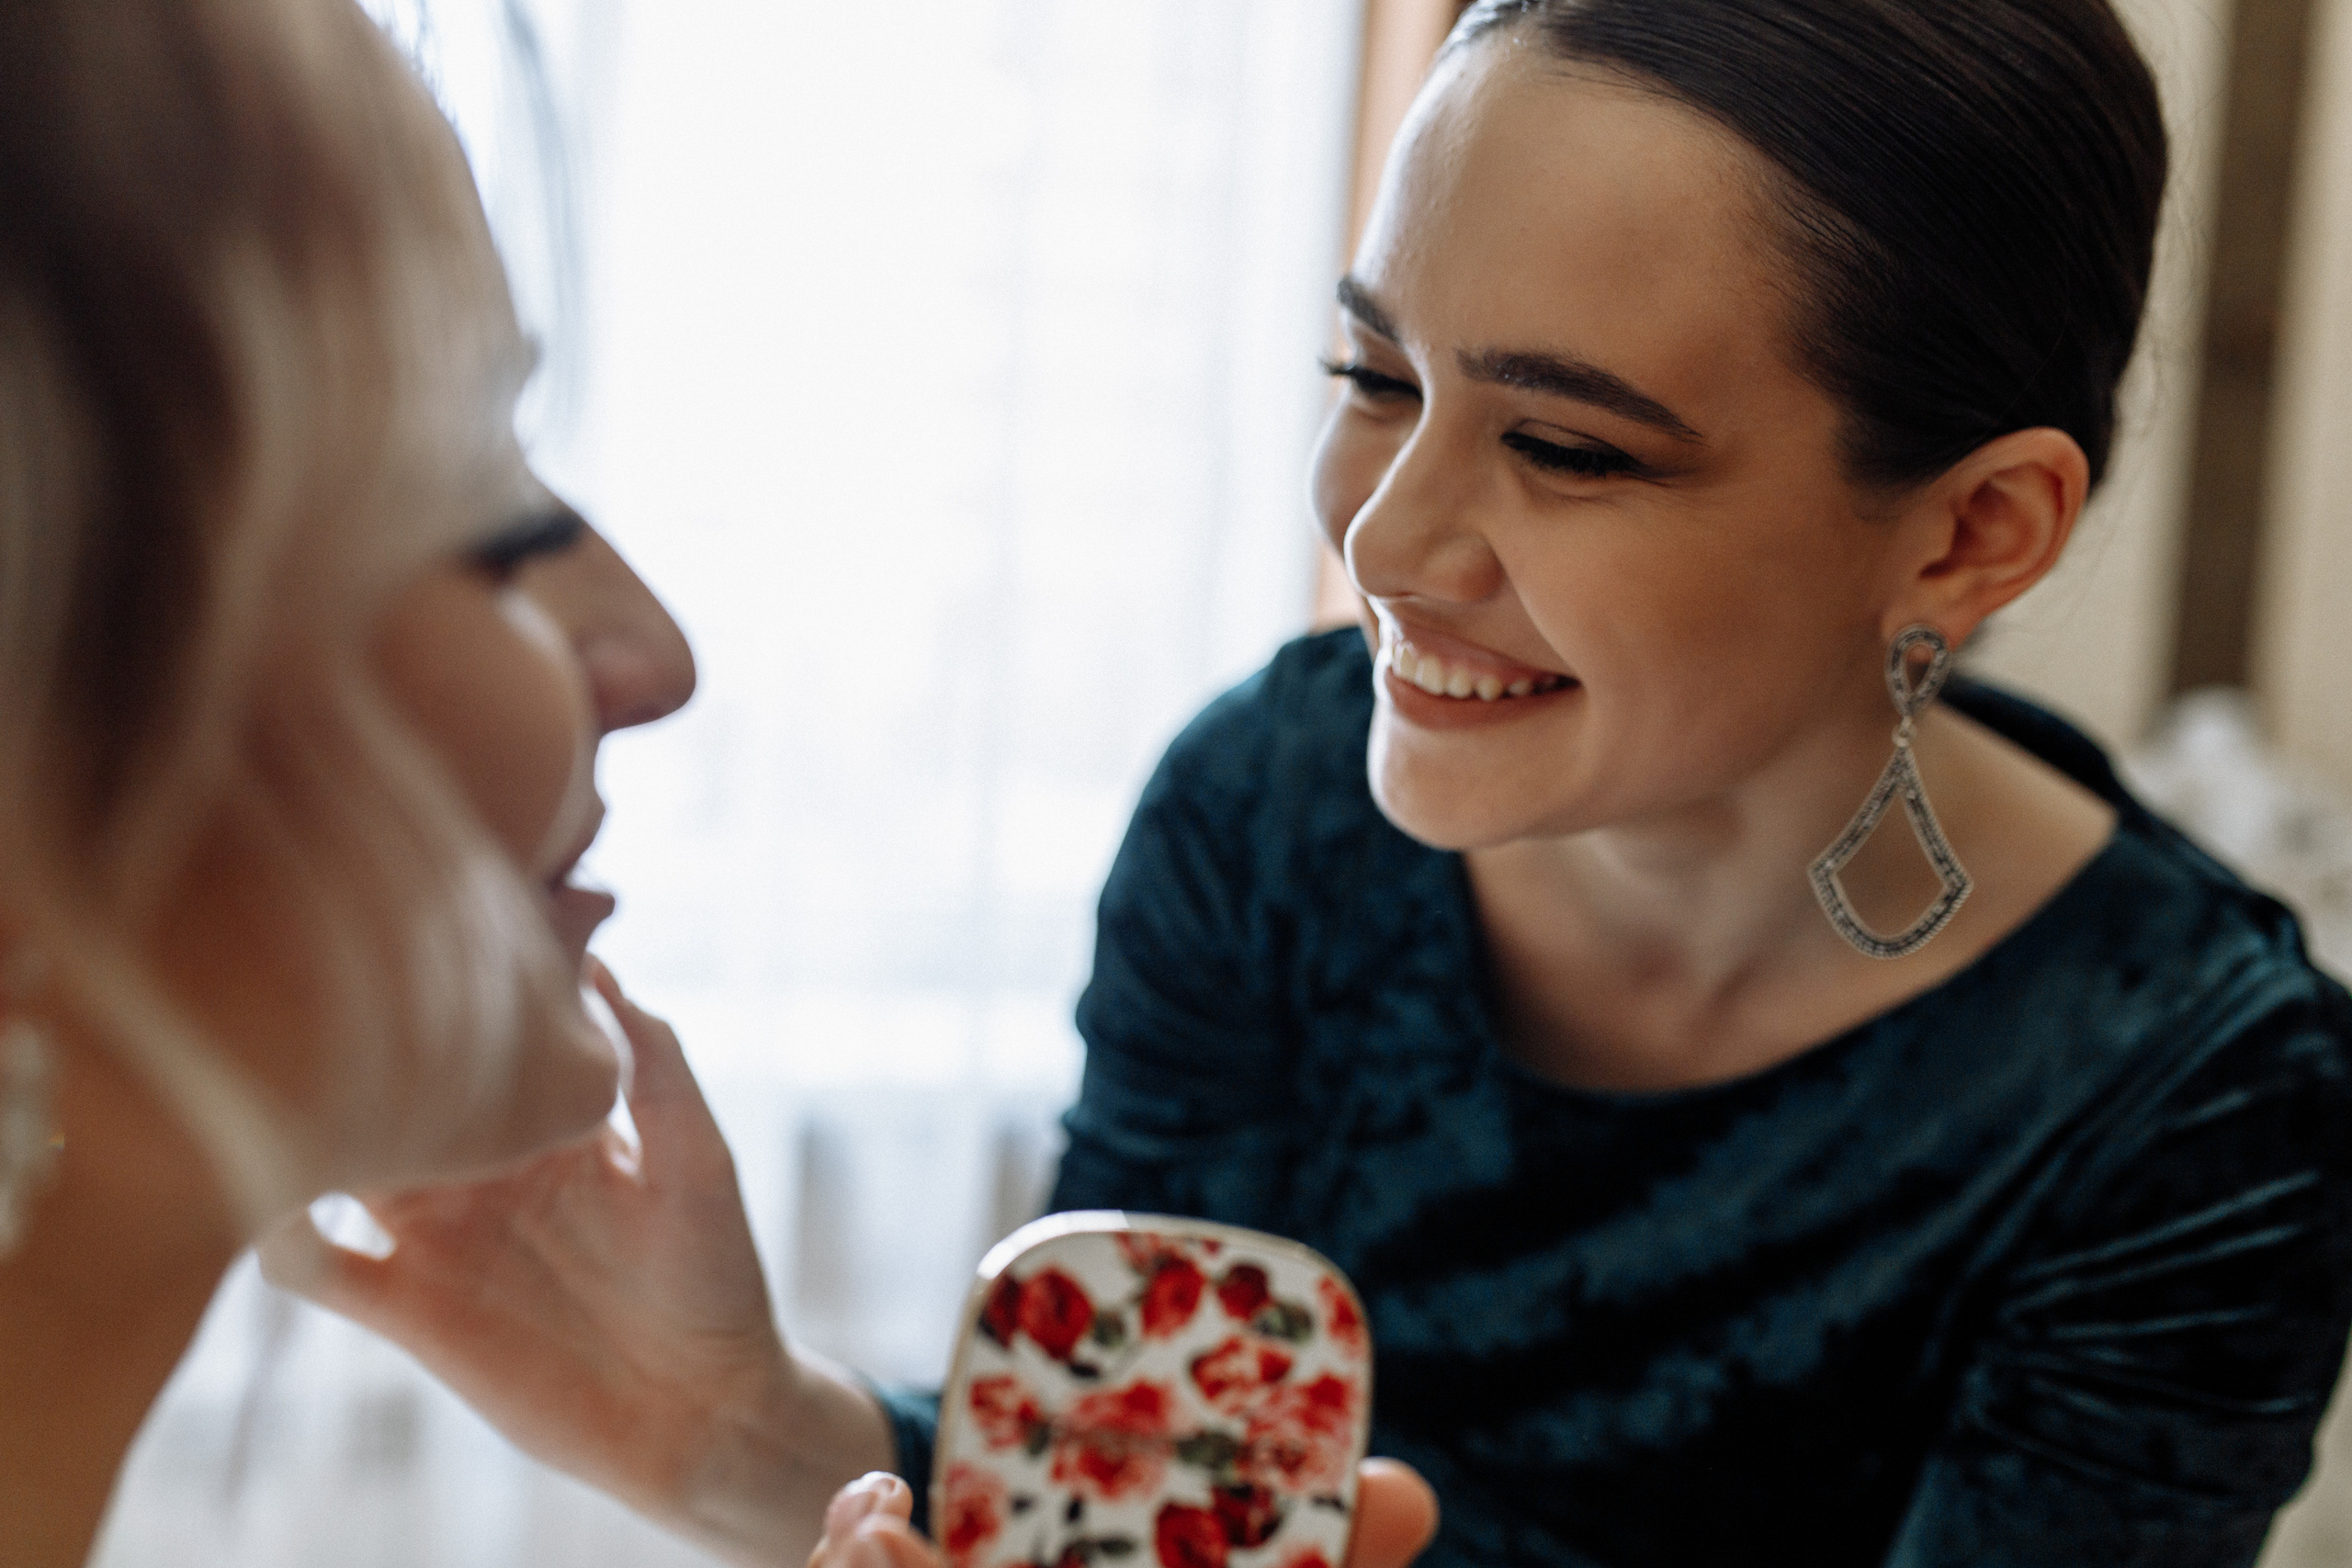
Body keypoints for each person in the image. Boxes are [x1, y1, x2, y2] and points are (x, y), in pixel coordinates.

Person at [276, 1, 2352, 1565]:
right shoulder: (1268, 812)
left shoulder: (2197, 1098)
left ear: (1972, 532)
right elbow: (1159, 1497)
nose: (1383, 539)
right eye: (1376, 379)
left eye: (1568, 447)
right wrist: (737, 1423)